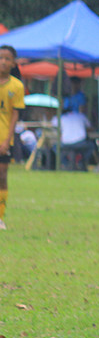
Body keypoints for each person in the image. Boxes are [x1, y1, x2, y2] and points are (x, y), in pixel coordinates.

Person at [0, 45, 25, 230]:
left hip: (3, 139)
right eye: (1, 58)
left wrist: (7, 140)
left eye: (7, 59)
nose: (3, 62)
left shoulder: (16, 86)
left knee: (2, 175)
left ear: (13, 63)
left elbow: (15, 116)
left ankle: (0, 216)